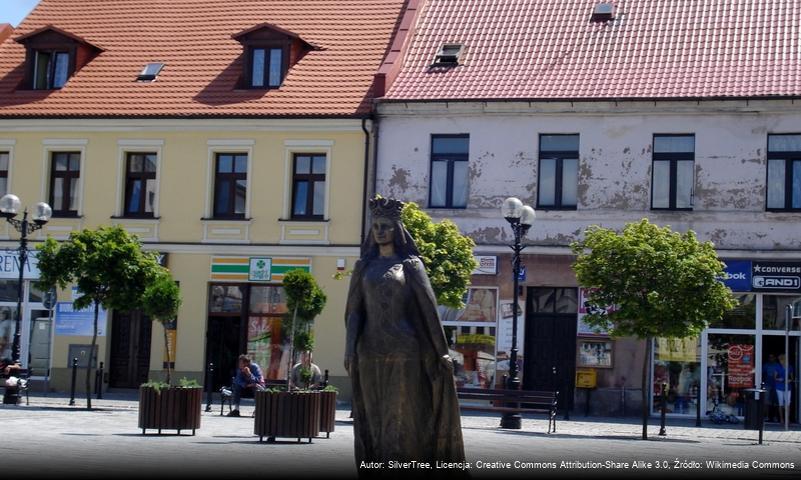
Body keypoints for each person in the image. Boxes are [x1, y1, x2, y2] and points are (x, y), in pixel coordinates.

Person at [345, 196, 465, 470]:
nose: (379, 231)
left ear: (397, 229)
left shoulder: (411, 266)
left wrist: (442, 352)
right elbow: (355, 312)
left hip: (405, 351)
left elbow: (429, 312)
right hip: (369, 352)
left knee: (403, 417)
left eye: (385, 226)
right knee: (373, 417)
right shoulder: (363, 267)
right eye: (375, 226)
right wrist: (349, 348)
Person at [774, 353, 795, 425]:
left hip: (788, 387)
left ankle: (787, 419)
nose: (781, 361)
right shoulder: (777, 366)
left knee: (788, 403)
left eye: (782, 360)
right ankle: (781, 419)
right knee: (780, 403)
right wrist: (778, 379)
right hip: (779, 387)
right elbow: (775, 377)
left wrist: (790, 380)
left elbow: (792, 378)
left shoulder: (790, 367)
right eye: (780, 360)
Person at [763, 353, 780, 422]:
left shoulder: (778, 365)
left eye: (772, 357)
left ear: (775, 358)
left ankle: (775, 416)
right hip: (767, 384)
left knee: (776, 402)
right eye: (770, 357)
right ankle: (766, 416)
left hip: (776, 385)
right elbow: (762, 373)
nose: (771, 359)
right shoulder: (766, 365)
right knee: (766, 401)